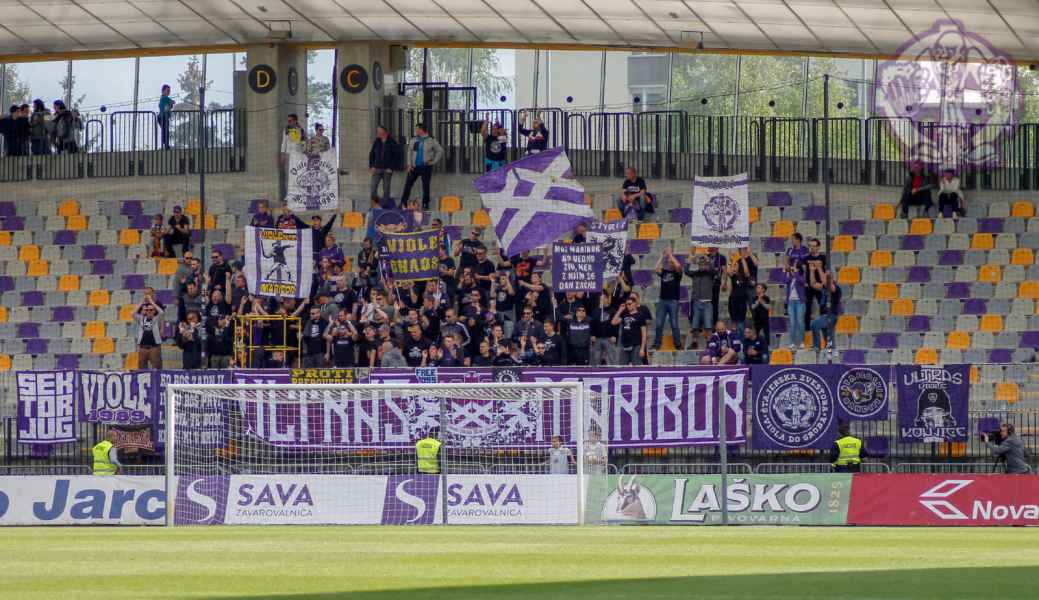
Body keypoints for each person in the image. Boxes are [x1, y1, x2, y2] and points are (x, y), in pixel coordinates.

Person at [401, 123, 444, 210]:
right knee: (408, 184)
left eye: (417, 129)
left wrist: (433, 161)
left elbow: (440, 151)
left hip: (425, 166)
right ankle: (403, 203)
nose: (416, 131)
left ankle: (425, 203)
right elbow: (409, 152)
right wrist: (409, 165)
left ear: (421, 130)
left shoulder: (431, 140)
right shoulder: (414, 140)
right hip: (414, 167)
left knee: (425, 186)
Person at [652, 247, 682, 351]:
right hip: (662, 301)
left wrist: (670, 255)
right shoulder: (664, 272)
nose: (670, 263)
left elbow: (679, 266)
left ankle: (678, 344)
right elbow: (656, 269)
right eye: (669, 262)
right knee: (659, 324)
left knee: (674, 324)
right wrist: (662, 256)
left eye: (671, 262)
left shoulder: (677, 274)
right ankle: (657, 344)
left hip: (673, 301)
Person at [685, 252, 714, 350]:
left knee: (708, 325)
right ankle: (694, 343)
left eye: (704, 264)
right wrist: (689, 261)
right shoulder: (695, 274)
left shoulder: (710, 274)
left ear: (706, 265)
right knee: (695, 325)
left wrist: (708, 260)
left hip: (707, 303)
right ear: (698, 265)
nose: (702, 266)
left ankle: (710, 343)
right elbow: (686, 271)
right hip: (697, 303)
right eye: (700, 264)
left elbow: (714, 270)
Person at [612, 294, 650, 366]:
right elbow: (613, 322)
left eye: (629, 304)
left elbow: (644, 334)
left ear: (634, 304)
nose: (628, 306)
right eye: (626, 304)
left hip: (636, 345)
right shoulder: (625, 315)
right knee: (622, 367)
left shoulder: (640, 316)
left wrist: (642, 348)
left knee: (636, 366)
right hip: (624, 345)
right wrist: (620, 310)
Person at [810, 274, 842, 359]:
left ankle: (817, 346)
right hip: (824, 315)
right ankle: (832, 350)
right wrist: (812, 271)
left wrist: (824, 276)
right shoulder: (824, 287)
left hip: (831, 315)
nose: (823, 281)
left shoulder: (836, 288)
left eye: (825, 279)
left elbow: (830, 287)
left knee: (814, 324)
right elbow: (813, 284)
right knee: (827, 334)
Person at [368, 125, 399, 208]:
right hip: (377, 168)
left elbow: (396, 156)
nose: (377, 133)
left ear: (384, 132)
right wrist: (371, 166)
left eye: (379, 131)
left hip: (387, 169)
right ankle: (375, 204)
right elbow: (371, 154)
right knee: (373, 187)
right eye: (377, 131)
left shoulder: (392, 142)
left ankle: (384, 206)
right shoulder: (377, 141)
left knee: (386, 188)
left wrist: (391, 168)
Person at [134, 295, 165, 369]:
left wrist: (151, 302)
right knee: (142, 368)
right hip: (143, 348)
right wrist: (142, 302)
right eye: (147, 310)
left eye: (151, 310)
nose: (149, 311)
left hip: (154, 347)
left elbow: (161, 312)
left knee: (156, 367)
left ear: (154, 311)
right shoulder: (141, 319)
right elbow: (132, 313)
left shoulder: (156, 319)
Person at [783, 264, 807, 350]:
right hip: (791, 302)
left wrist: (796, 273)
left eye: (795, 269)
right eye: (792, 269)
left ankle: (802, 342)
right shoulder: (790, 278)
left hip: (799, 302)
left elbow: (802, 281)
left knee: (800, 322)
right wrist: (787, 272)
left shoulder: (801, 276)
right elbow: (785, 281)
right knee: (792, 323)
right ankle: (792, 343)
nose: (793, 270)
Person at [158, 84, 175, 149]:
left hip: (162, 117)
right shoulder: (164, 98)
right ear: (163, 91)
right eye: (167, 90)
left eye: (169, 91)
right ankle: (166, 145)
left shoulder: (162, 98)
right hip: (163, 117)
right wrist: (172, 102)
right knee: (165, 131)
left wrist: (170, 104)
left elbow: (170, 105)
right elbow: (172, 102)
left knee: (164, 130)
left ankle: (164, 144)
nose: (169, 92)